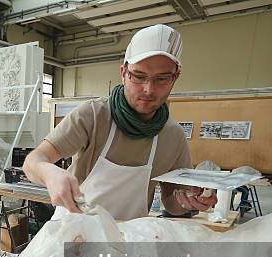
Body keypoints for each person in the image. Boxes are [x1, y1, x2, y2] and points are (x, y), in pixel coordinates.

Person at [23, 24, 217, 220]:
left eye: (162, 79)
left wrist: (188, 201)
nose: (148, 89)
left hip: (128, 239)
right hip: (76, 232)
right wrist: (50, 174)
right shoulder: (94, 116)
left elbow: (171, 202)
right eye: (139, 76)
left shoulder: (172, 136)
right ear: (124, 73)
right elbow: (32, 162)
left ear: (175, 77)